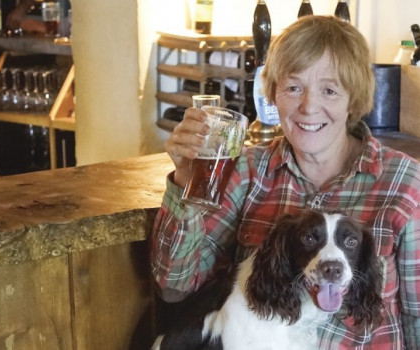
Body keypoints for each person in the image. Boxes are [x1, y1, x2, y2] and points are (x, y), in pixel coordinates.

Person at [150, 15, 420, 349]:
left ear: (354, 99)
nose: (308, 107)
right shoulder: (247, 170)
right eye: (293, 87)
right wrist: (186, 181)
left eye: (329, 89)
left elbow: (417, 315)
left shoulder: (405, 182)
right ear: (273, 95)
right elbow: (175, 286)